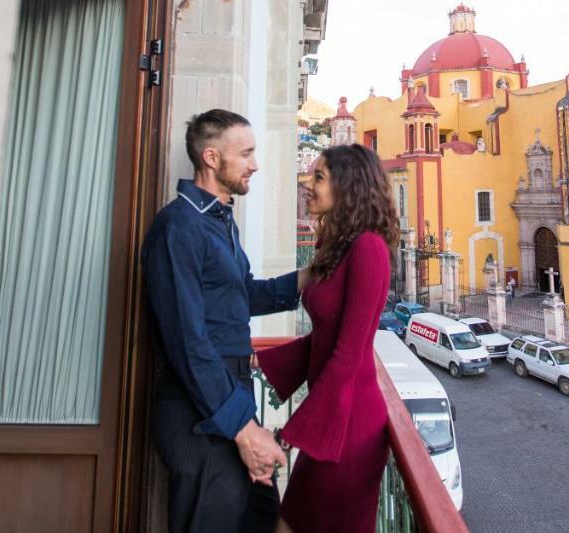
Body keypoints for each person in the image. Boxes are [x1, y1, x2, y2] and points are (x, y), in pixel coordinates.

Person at [143, 109, 309, 533]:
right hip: (197, 413)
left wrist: (311, 275)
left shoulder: (219, 222)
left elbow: (242, 294)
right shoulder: (178, 226)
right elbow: (188, 341)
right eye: (246, 153)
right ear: (212, 158)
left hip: (228, 399)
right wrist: (243, 428)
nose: (255, 164)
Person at [257, 144, 398, 533]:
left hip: (350, 430)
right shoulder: (339, 248)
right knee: (289, 522)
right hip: (332, 421)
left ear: (348, 186)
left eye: (318, 177)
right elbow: (326, 335)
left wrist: (289, 435)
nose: (309, 185)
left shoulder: (368, 249)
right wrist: (262, 361)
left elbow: (348, 354)